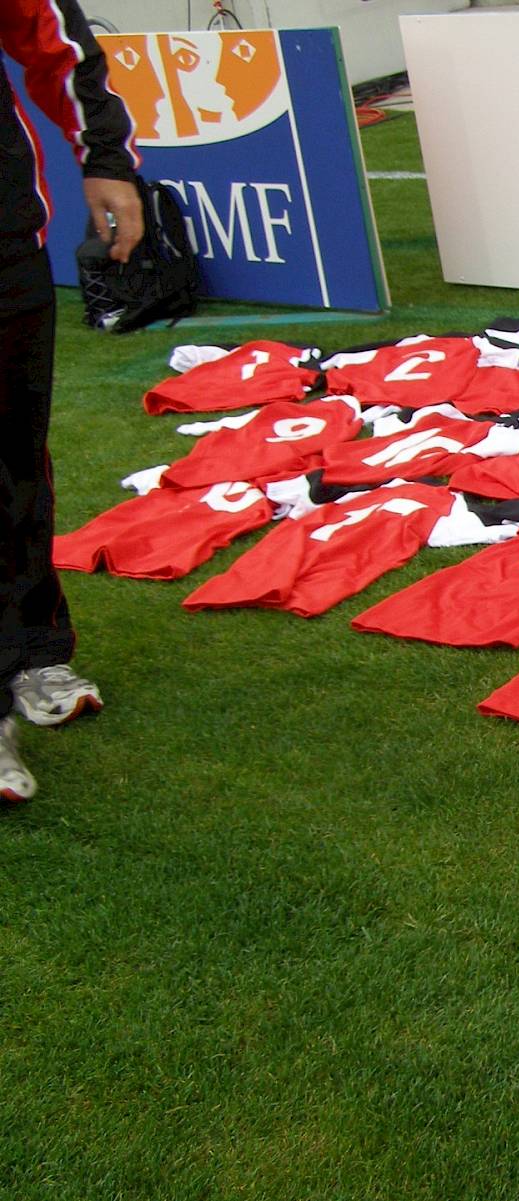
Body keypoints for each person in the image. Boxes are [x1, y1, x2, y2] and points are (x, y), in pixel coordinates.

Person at [1, 0, 143, 802]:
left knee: (16, 452)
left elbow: (52, 34)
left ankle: (31, 649)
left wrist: (106, 156)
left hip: (2, 233)